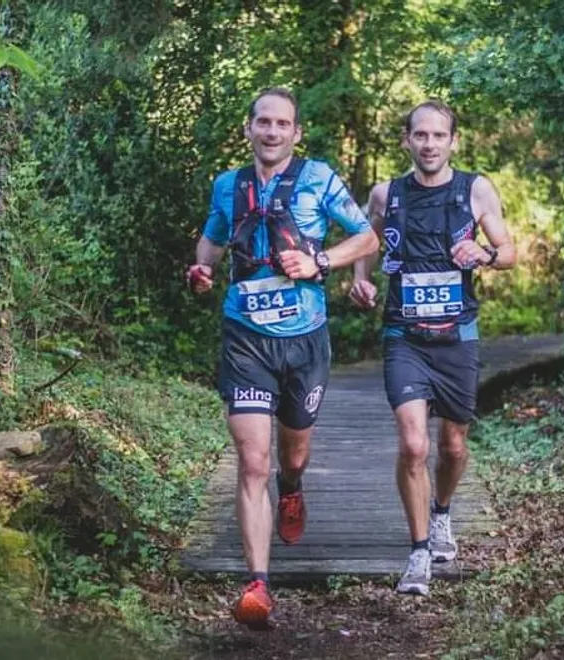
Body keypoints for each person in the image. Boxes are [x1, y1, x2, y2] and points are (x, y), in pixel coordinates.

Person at [186, 88, 379, 628]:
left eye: (283, 124)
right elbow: (212, 242)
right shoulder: (228, 186)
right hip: (245, 336)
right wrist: (200, 271)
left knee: (290, 459)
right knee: (253, 462)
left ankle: (292, 491)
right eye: (263, 123)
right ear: (248, 129)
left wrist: (319, 260)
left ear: (296, 133)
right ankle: (258, 586)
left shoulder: (319, 179)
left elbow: (365, 239)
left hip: (304, 339)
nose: (272, 132)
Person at [349, 99, 516, 596]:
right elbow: (363, 239)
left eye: (438, 135)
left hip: (457, 335)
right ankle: (419, 550)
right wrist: (360, 280)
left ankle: (442, 511)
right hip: (404, 334)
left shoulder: (476, 189)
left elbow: (508, 251)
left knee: (453, 445)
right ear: (406, 140)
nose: (428, 143)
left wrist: (484, 254)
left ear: (453, 141)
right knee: (414, 444)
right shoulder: (387, 193)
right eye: (419, 135)